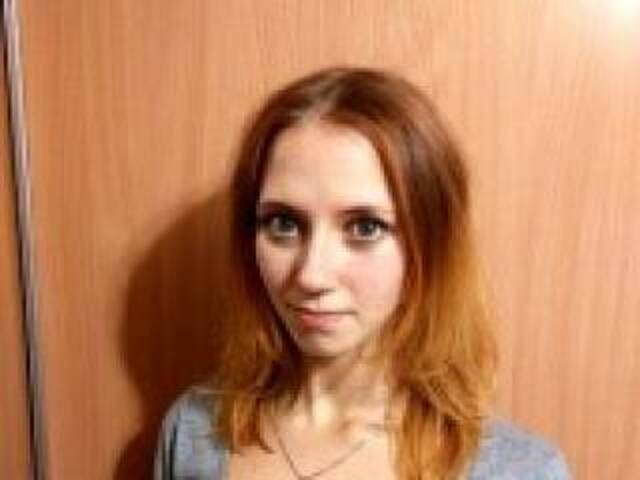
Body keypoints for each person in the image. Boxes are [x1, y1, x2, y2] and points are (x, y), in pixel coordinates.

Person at [154, 66, 572, 479]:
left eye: (365, 227)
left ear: (429, 245)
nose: (311, 275)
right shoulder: (195, 432)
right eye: (283, 223)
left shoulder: (522, 472)